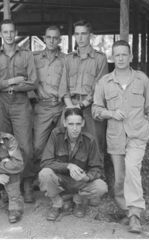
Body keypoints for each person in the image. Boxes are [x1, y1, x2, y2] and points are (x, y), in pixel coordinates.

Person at [92, 40, 149, 233]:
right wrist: (111, 113)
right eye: (117, 55)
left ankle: (135, 214)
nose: (121, 58)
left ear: (130, 57)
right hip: (115, 137)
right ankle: (125, 209)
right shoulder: (104, 82)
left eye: (124, 54)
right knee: (120, 178)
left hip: (138, 135)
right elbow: (95, 109)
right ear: (113, 58)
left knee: (132, 169)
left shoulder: (141, 79)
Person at [0, 19, 38, 203]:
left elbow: (33, 82)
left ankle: (27, 183)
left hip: (20, 102)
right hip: (0, 102)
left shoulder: (26, 55)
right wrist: (12, 81)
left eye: (11, 32)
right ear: (0, 34)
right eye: (5, 32)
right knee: (3, 146)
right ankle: (9, 186)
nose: (8, 35)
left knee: (25, 146)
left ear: (16, 33)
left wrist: (13, 88)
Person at [59, 20, 109, 186]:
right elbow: (63, 84)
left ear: (91, 36)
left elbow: (99, 86)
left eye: (84, 34)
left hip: (90, 107)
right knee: (67, 142)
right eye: (77, 34)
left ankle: (97, 181)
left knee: (95, 142)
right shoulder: (68, 59)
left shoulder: (100, 58)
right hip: (70, 105)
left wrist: (81, 105)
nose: (80, 38)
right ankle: (69, 182)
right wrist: (69, 105)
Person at [39, 108, 108, 221]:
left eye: (78, 124)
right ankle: (57, 203)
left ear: (83, 123)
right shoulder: (56, 135)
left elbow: (97, 168)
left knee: (101, 187)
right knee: (44, 173)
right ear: (65, 123)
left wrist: (87, 177)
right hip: (60, 179)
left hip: (80, 182)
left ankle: (78, 201)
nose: (75, 128)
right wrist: (68, 166)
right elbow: (45, 162)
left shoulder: (90, 140)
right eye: (71, 124)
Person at [32, 25, 65, 175]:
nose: (51, 40)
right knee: (38, 145)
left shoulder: (66, 59)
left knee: (61, 143)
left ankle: (56, 177)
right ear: (44, 39)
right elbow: (27, 79)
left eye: (55, 37)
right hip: (42, 107)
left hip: (61, 106)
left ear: (59, 40)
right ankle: (37, 176)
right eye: (49, 37)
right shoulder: (34, 58)